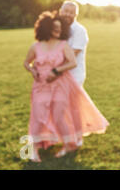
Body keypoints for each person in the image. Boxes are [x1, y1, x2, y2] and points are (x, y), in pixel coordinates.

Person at [23, 11, 109, 162]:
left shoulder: (63, 45)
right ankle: (34, 149)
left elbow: (72, 62)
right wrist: (32, 70)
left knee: (59, 116)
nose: (58, 31)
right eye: (55, 28)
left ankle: (69, 144)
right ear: (46, 28)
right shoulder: (35, 46)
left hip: (60, 84)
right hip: (40, 86)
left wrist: (56, 71)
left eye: (59, 28)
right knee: (37, 115)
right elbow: (26, 62)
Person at [59, 1, 89, 86]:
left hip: (74, 76)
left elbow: (72, 54)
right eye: (66, 11)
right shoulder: (57, 29)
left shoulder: (80, 31)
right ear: (60, 11)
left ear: (76, 15)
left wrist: (54, 69)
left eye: (72, 12)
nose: (68, 14)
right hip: (59, 76)